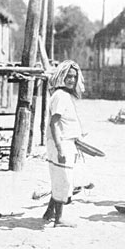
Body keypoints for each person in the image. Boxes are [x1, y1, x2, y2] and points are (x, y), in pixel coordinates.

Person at [42, 60, 85, 228]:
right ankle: (59, 219)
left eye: (74, 77)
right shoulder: (61, 96)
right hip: (60, 143)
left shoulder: (62, 95)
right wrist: (60, 148)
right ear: (61, 76)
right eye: (68, 76)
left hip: (66, 141)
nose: (72, 80)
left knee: (60, 178)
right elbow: (54, 123)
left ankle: (49, 212)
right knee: (64, 181)